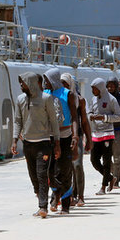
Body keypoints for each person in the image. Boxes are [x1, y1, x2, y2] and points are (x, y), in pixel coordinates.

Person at [12, 72, 60, 217]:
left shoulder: (46, 98)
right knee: (33, 176)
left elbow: (53, 121)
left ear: (31, 82)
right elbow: (17, 121)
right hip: (28, 144)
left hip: (44, 143)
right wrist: (14, 140)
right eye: (20, 83)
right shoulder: (20, 99)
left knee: (41, 175)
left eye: (23, 82)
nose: (21, 85)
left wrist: (57, 142)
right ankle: (41, 201)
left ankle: (43, 206)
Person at [43, 68, 78, 213]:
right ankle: (56, 191)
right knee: (48, 170)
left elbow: (75, 117)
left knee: (65, 169)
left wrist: (75, 136)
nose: (45, 83)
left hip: (65, 135)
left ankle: (65, 204)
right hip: (49, 135)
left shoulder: (67, 94)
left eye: (47, 80)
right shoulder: (45, 95)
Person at [88, 76, 120, 189]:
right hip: (95, 134)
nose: (93, 91)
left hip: (107, 134)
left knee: (107, 161)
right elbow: (89, 111)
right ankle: (110, 178)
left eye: (94, 88)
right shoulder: (93, 99)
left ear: (100, 88)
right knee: (94, 160)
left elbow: (119, 117)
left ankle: (104, 186)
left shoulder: (111, 99)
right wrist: (91, 116)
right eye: (92, 88)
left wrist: (104, 117)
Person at [63, 73, 91, 206]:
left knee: (77, 165)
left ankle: (80, 195)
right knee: (66, 167)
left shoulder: (80, 100)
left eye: (66, 84)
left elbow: (84, 121)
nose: (64, 87)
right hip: (63, 135)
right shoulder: (58, 97)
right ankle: (69, 195)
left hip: (77, 135)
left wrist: (89, 139)